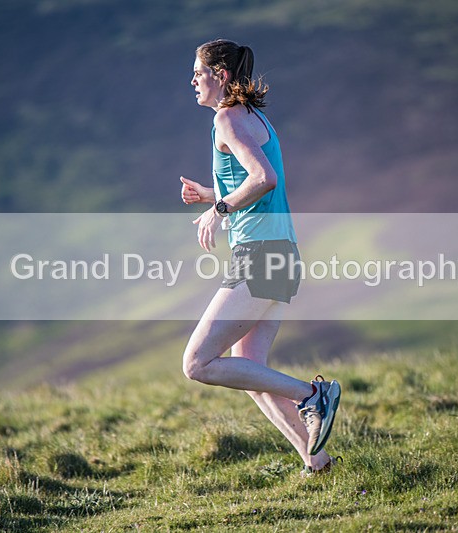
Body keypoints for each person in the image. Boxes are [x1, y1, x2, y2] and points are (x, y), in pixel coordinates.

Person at [179, 39, 341, 475]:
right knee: (249, 371)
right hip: (280, 255)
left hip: (261, 256)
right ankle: (318, 463)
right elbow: (255, 183)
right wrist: (212, 195)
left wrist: (218, 209)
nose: (192, 79)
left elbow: (263, 178)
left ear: (222, 76)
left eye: (199, 71)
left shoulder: (226, 119)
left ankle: (314, 397)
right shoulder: (252, 117)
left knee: (196, 363)